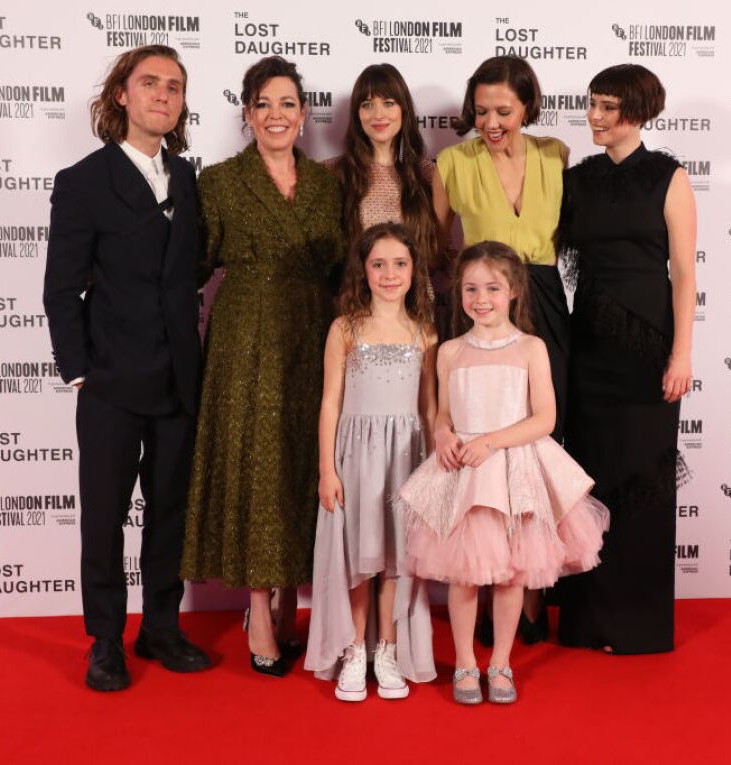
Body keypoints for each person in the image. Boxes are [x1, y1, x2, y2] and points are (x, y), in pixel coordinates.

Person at [43, 45, 211, 692]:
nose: (162, 96)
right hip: (111, 381)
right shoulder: (83, 181)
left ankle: (161, 625)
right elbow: (61, 289)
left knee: (168, 509)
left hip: (177, 377)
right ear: (123, 95)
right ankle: (106, 638)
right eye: (150, 84)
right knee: (104, 515)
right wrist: (80, 371)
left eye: (174, 87)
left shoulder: (190, 178)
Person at [180, 56, 344, 676]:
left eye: (288, 104)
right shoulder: (218, 182)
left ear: (303, 116)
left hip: (312, 331)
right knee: (257, 464)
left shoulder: (327, 184)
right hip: (245, 336)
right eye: (264, 104)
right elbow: (190, 269)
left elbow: (340, 271)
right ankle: (257, 612)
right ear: (248, 115)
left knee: (302, 461)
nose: (277, 115)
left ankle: (285, 603)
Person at [397, 242, 610, 705]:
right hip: (465, 475)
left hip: (513, 470)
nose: (481, 298)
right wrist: (443, 435)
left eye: (492, 288)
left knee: (511, 573)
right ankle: (466, 666)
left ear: (513, 290)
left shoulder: (531, 347)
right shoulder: (449, 351)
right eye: (471, 288)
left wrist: (490, 443)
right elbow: (444, 414)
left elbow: (544, 420)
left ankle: (501, 664)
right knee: (464, 574)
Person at [556, 65, 696, 655]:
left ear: (637, 112)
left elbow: (685, 274)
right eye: (592, 104)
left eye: (607, 107)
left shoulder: (669, 176)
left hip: (648, 352)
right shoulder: (577, 180)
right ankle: (588, 623)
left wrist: (681, 353)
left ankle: (638, 624)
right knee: (589, 482)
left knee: (644, 481)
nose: (594, 115)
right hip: (587, 347)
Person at [434, 55, 569, 642]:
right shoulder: (451, 162)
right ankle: (484, 589)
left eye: (504, 111)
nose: (491, 122)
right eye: (482, 110)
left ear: (527, 107)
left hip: (543, 295)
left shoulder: (555, 155)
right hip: (484, 299)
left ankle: (531, 601)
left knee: (539, 447)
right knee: (483, 448)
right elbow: (441, 245)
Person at [305, 223, 437, 701]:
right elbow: (329, 404)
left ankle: (389, 648)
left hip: (406, 457)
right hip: (356, 457)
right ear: (363, 270)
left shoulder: (424, 332)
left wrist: (433, 466)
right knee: (359, 557)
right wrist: (327, 468)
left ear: (414, 270)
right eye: (378, 263)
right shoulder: (345, 327)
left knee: (395, 557)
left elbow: (429, 408)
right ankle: (354, 649)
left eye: (399, 264)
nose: (389, 273)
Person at [328, 64, 438, 265]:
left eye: (388, 103)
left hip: (417, 294)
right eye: (367, 104)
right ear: (357, 114)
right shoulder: (334, 173)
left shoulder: (428, 174)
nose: (378, 115)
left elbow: (441, 254)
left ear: (404, 110)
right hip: (356, 293)